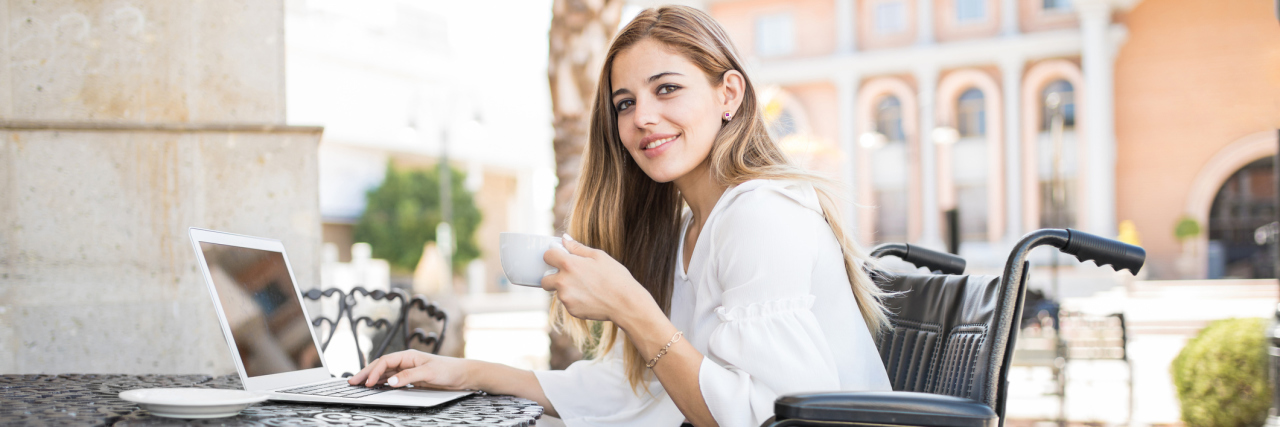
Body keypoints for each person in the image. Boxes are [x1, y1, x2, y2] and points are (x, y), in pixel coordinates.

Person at [348, 5, 892, 426]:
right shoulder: (692, 228)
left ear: (728, 93)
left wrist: (632, 308)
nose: (642, 119)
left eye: (667, 89)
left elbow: (766, 417)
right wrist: (463, 373)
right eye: (625, 103)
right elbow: (639, 390)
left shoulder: (762, 214)